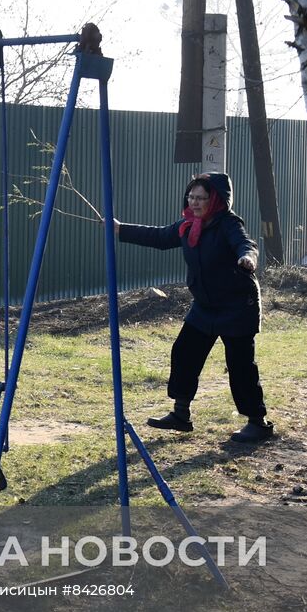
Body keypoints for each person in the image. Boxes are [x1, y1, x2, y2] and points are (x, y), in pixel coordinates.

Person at [102, 172, 274, 444]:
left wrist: (247, 258)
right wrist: (120, 229)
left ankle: (258, 423)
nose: (194, 202)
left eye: (201, 198)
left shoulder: (228, 223)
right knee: (184, 352)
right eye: (191, 196)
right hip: (206, 305)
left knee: (240, 366)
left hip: (237, 306)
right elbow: (160, 237)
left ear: (215, 199)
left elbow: (246, 244)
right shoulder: (188, 225)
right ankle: (181, 415)